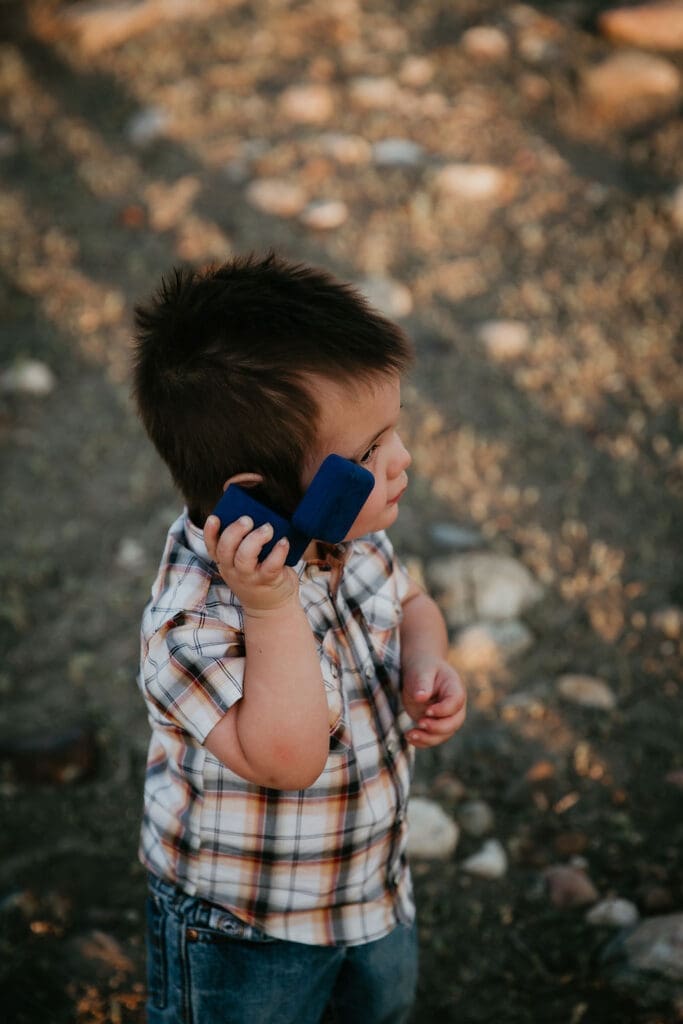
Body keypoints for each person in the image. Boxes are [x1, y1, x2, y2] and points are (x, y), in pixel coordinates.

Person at [132, 252, 466, 1024]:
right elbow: (289, 758)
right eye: (366, 455)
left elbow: (411, 603)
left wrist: (426, 658)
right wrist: (272, 606)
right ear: (256, 501)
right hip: (248, 929)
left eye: (394, 431)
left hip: (368, 885)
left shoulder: (351, 536)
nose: (402, 461)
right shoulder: (194, 625)